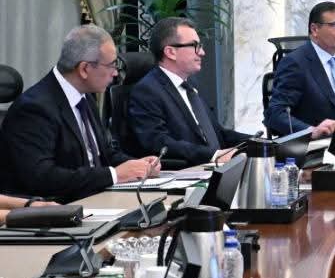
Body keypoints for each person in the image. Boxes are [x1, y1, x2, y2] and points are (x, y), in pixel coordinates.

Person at [0, 25, 160, 202]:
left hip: (96, 197)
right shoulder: (34, 108)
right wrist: (114, 175)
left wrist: (138, 165)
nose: (115, 73)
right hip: (59, 207)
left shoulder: (84, 96)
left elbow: (103, 154)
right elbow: (42, 177)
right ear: (84, 69)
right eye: (112, 65)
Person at [126, 17, 252, 167]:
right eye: (195, 46)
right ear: (171, 52)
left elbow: (217, 134)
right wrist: (213, 155)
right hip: (185, 171)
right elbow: (158, 141)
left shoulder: (190, 85)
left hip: (215, 168)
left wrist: (258, 143)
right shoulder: (147, 91)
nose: (202, 52)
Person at [267, 1, 335, 138]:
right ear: (315, 29)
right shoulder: (295, 63)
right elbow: (275, 114)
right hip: (325, 143)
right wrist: (312, 131)